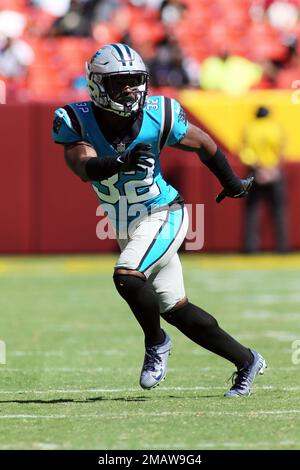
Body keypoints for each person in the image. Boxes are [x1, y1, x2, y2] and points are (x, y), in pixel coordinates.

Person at [52, 43, 266, 397]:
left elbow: (204, 144)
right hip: (123, 221)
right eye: (119, 82)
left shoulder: (158, 113)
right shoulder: (76, 119)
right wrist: (119, 163)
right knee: (176, 308)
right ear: (96, 85)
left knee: (127, 275)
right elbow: (82, 167)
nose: (130, 89)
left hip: (163, 212)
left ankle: (156, 343)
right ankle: (247, 360)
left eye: (135, 80)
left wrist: (231, 183)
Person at [240, 105, 288, 253]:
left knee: (252, 211)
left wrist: (259, 168)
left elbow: (245, 152)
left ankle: (250, 248)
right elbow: (281, 149)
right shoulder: (276, 127)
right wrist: (273, 170)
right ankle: (282, 247)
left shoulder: (249, 128)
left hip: (255, 172)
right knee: (278, 211)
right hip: (273, 171)